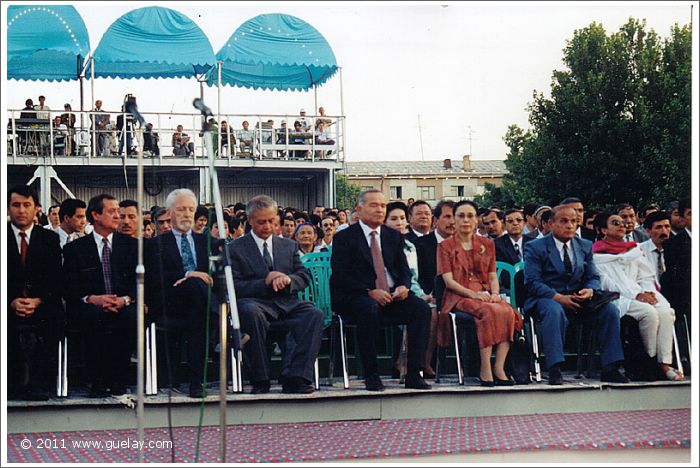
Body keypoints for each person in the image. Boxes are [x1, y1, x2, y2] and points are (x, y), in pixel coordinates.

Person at [330, 189, 432, 391]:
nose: (379, 210)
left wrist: (403, 286)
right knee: (368, 308)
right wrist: (369, 291)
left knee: (421, 309)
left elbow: (404, 270)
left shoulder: (393, 236)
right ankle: (371, 374)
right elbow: (341, 275)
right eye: (373, 205)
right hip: (356, 297)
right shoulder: (345, 237)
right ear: (359, 209)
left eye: (383, 206)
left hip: (391, 295)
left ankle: (414, 373)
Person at [227, 195, 324, 394]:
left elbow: (303, 275)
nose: (267, 226)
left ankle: (296, 376)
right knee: (250, 312)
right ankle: (260, 378)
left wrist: (289, 280)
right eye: (261, 222)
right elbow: (233, 286)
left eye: (272, 221)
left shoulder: (288, 245)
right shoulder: (235, 248)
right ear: (250, 221)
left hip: (287, 302)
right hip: (256, 303)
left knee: (313, 314)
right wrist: (265, 282)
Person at [523, 205, 628, 385]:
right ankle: (555, 368)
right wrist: (558, 297)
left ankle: (610, 367)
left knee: (609, 310)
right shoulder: (535, 247)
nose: (570, 225)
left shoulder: (584, 246)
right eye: (564, 221)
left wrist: (590, 290)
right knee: (554, 311)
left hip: (578, 299)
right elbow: (532, 282)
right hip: (547, 298)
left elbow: (593, 276)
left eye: (573, 221)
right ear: (551, 223)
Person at [437, 200, 523, 386]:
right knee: (489, 311)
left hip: (485, 292)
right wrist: (473, 294)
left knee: (508, 311)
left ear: (477, 220)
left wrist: (495, 292)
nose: (466, 220)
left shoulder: (487, 244)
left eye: (470, 216)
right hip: (458, 295)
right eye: (461, 216)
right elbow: (448, 281)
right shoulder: (445, 246)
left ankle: (499, 367)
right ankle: (485, 368)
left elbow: (493, 275)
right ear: (454, 219)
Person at [62, 194, 138, 397]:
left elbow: (139, 282)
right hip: (91, 305)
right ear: (95, 215)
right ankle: (98, 380)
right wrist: (93, 299)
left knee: (131, 317)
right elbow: (69, 286)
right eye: (112, 211)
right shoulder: (75, 249)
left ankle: (119, 378)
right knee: (93, 317)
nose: (118, 216)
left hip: (123, 303)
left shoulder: (132, 246)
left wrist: (125, 300)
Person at [592, 212, 681, 381]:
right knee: (649, 314)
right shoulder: (597, 255)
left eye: (622, 223)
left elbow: (645, 276)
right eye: (615, 223)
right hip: (618, 297)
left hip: (642, 293)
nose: (621, 225)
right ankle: (650, 361)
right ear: (603, 230)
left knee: (666, 312)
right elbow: (607, 284)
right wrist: (636, 295)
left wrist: (648, 292)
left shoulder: (634, 249)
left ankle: (664, 362)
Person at [145, 189, 216, 398]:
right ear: (169, 212)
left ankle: (196, 383)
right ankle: (219, 320)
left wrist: (195, 278)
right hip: (170, 301)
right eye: (181, 209)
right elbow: (155, 277)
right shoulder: (155, 244)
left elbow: (214, 277)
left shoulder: (206, 242)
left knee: (198, 310)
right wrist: (188, 274)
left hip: (198, 306)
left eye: (190, 209)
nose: (186, 214)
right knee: (196, 286)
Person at [8, 185, 63, 400]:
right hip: (8, 303)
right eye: (16, 205)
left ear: (36, 209)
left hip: (42, 303)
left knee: (54, 319)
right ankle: (12, 382)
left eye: (26, 205)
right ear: (8, 208)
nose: (21, 210)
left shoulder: (49, 239)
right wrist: (11, 301)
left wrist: (38, 300)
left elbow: (56, 279)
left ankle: (40, 383)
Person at [384, 201, 436, 376]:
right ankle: (403, 361)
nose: (399, 223)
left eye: (401, 218)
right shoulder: (377, 244)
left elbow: (411, 277)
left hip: (410, 291)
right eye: (393, 219)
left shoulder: (409, 246)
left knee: (430, 309)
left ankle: (421, 363)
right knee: (419, 309)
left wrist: (422, 294)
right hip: (385, 295)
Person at [414, 200, 455, 375]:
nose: (452, 222)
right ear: (435, 220)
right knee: (429, 310)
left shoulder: (463, 244)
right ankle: (425, 362)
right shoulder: (420, 245)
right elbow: (417, 276)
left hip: (458, 296)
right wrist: (427, 294)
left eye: (456, 217)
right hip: (429, 296)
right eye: (447, 217)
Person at [638, 211, 672, 286]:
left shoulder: (677, 250)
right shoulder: (639, 251)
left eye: (667, 226)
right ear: (648, 231)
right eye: (658, 227)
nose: (664, 231)